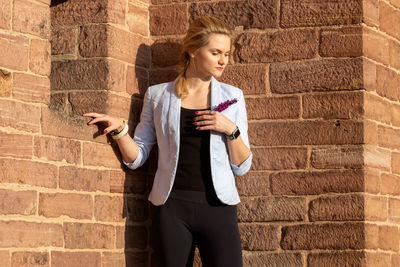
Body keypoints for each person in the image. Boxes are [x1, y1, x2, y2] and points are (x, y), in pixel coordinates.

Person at [83, 16, 252, 267]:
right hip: (171, 208)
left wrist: (231, 130)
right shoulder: (158, 95)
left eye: (226, 53)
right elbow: (137, 157)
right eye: (216, 52)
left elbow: (242, 165)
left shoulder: (233, 97)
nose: (223, 60)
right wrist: (119, 131)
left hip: (218, 207)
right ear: (193, 50)